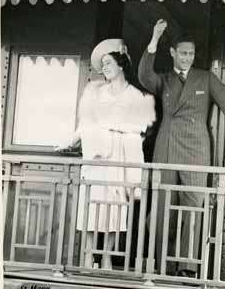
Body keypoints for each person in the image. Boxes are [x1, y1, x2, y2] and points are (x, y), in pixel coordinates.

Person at [138, 19, 225, 277]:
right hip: (166, 149)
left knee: (193, 209)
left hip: (196, 151)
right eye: (183, 53)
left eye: (191, 53)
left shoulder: (206, 78)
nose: (188, 58)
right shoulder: (165, 80)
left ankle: (187, 269)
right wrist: (155, 38)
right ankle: (162, 267)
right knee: (162, 208)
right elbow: (144, 76)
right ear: (173, 53)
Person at [57, 39, 155, 269]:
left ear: (121, 65)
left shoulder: (133, 95)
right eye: (103, 64)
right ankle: (89, 255)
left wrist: (119, 128)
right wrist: (70, 140)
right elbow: (85, 123)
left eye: (109, 62)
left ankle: (108, 256)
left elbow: (141, 126)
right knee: (91, 206)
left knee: (114, 208)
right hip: (96, 157)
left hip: (118, 158)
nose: (105, 68)